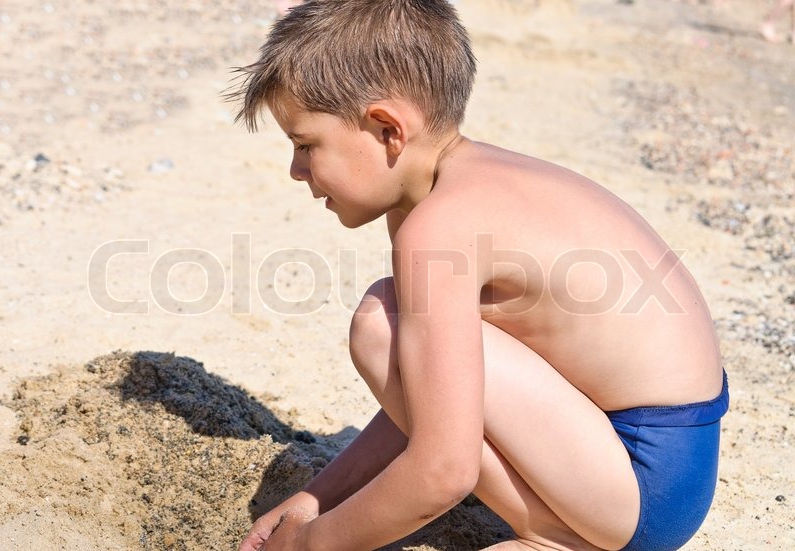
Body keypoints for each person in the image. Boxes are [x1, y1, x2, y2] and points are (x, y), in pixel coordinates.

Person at [231, 1, 728, 549]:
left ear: (387, 129)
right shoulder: (453, 186)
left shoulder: (438, 227)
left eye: (305, 145)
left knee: (380, 326)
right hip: (661, 463)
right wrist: (319, 497)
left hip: (640, 480)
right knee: (401, 333)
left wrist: (309, 545)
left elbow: (444, 472)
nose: (296, 170)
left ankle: (558, 538)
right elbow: (437, 388)